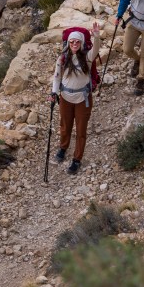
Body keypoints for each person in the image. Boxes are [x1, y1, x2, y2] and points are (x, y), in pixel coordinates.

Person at [50, 23, 101, 176]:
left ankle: (77, 159)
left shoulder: (88, 58)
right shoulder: (62, 58)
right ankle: (63, 148)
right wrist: (54, 93)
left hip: (82, 99)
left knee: (81, 130)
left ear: (82, 43)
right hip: (65, 98)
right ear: (68, 43)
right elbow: (57, 77)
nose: (74, 44)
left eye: (77, 42)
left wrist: (96, 36)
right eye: (71, 42)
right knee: (65, 125)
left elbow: (96, 49)